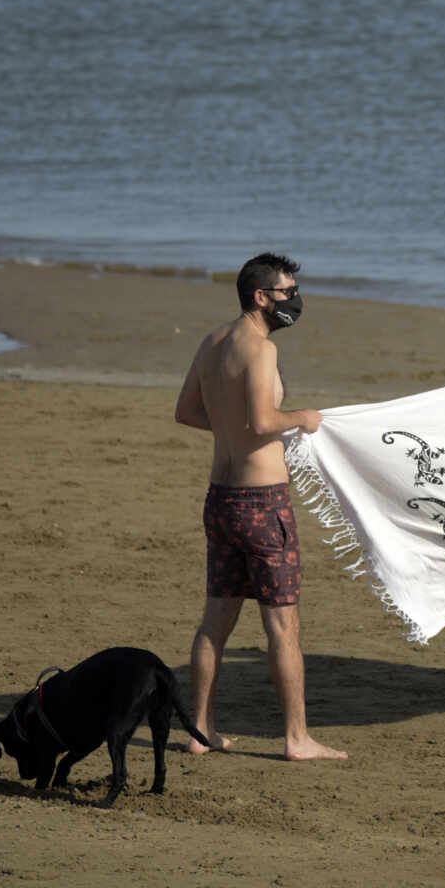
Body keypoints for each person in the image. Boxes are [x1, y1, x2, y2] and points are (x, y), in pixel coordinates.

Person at [174, 252, 346, 760]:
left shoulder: (212, 342)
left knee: (215, 623)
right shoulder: (259, 348)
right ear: (261, 297)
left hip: (220, 501)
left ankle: (200, 733)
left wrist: (230, 428)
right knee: (283, 627)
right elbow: (263, 420)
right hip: (262, 505)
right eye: (286, 291)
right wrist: (304, 418)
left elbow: (186, 412)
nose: (293, 299)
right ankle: (297, 739)